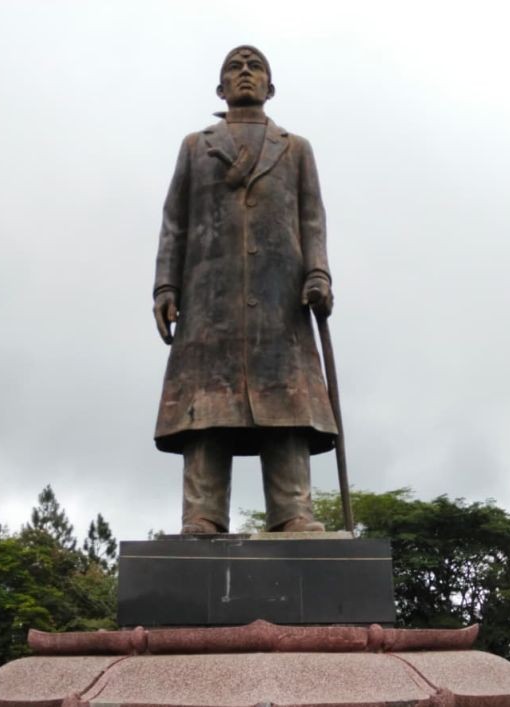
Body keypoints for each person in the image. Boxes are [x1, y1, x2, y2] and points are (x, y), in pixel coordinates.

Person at [153, 46, 338, 534]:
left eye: (255, 67)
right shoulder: (196, 146)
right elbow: (175, 222)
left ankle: (293, 510)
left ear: (270, 87)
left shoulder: (295, 148)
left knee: (287, 406)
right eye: (234, 68)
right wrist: (166, 284)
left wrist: (318, 274)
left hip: (281, 300)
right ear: (220, 89)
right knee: (207, 409)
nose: (245, 73)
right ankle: (203, 513)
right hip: (209, 299)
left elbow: (312, 218)